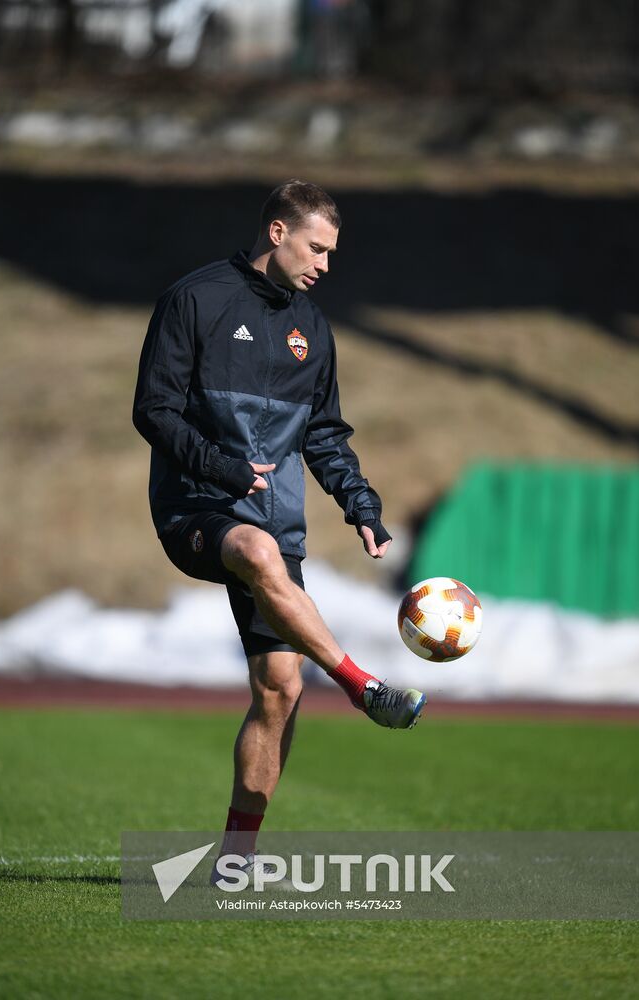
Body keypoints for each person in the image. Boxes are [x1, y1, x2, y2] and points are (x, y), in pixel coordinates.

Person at [133, 179, 425, 865]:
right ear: (277, 234)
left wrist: (360, 503)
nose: (324, 264)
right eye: (315, 248)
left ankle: (236, 859)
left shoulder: (311, 328)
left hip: (272, 516)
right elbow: (153, 410)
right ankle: (362, 686)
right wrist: (222, 468)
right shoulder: (195, 299)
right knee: (258, 552)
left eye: (330, 251)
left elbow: (323, 433)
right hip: (197, 508)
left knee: (281, 689)